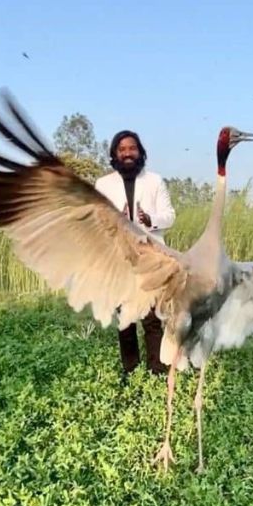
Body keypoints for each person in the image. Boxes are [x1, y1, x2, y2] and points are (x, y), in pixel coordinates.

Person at [94, 130, 176, 376]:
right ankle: (130, 369)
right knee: (125, 318)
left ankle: (157, 369)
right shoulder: (103, 185)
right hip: (119, 258)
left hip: (150, 257)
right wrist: (116, 219)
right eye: (122, 149)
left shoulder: (155, 181)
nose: (127, 153)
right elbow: (97, 220)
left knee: (152, 317)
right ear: (114, 154)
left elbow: (170, 216)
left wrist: (151, 219)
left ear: (140, 152)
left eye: (132, 148)